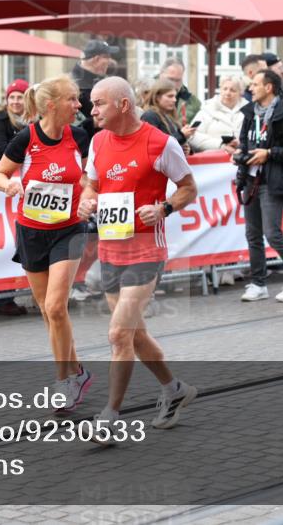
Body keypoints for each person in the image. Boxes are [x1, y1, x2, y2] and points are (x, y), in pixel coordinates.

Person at [77, 77, 199, 438]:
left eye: (99, 103)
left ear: (123, 105)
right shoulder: (98, 142)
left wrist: (163, 207)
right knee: (135, 335)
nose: (92, 110)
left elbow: (189, 188)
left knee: (118, 334)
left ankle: (109, 417)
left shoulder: (161, 143)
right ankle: (174, 390)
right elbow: (92, 185)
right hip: (111, 248)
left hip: (147, 251)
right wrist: (87, 200)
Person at [0, 76, 93, 410]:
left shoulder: (79, 137)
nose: (79, 106)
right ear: (52, 105)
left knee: (55, 306)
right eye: (73, 100)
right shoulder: (26, 138)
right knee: (50, 313)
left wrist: (88, 197)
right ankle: (78, 372)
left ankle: (63, 382)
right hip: (32, 230)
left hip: (69, 229)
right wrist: (7, 185)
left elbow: (92, 179)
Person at [236, 70, 283, 303]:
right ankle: (258, 283)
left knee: (273, 233)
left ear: (269, 88)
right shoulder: (250, 114)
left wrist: (269, 153)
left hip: (272, 180)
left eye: (255, 84)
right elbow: (246, 143)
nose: (250, 88)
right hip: (251, 179)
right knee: (253, 234)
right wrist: (239, 154)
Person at [70, 39, 118, 137]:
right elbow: (71, 124)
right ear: (96, 59)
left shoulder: (99, 81)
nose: (110, 62)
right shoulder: (71, 85)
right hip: (84, 146)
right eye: (107, 57)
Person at [188, 75, 247, 154]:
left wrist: (241, 143)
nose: (228, 93)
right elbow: (192, 136)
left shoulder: (248, 110)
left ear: (240, 93)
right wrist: (220, 145)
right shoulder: (207, 109)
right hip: (213, 160)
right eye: (225, 89)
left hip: (242, 158)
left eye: (233, 90)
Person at [140, 78, 197, 154]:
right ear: (157, 97)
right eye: (170, 96)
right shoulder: (150, 116)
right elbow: (155, 146)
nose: (174, 100)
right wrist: (182, 135)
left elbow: (172, 143)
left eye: (175, 96)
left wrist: (186, 148)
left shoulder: (169, 116)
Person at [0, 79, 29, 161]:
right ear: (7, 100)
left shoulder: (35, 120)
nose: (15, 101)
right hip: (1, 169)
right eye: (12, 97)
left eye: (20, 97)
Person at [158, 57, 200, 125]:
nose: (173, 84)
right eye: (170, 79)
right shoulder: (146, 96)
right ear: (161, 75)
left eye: (178, 80)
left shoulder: (192, 102)